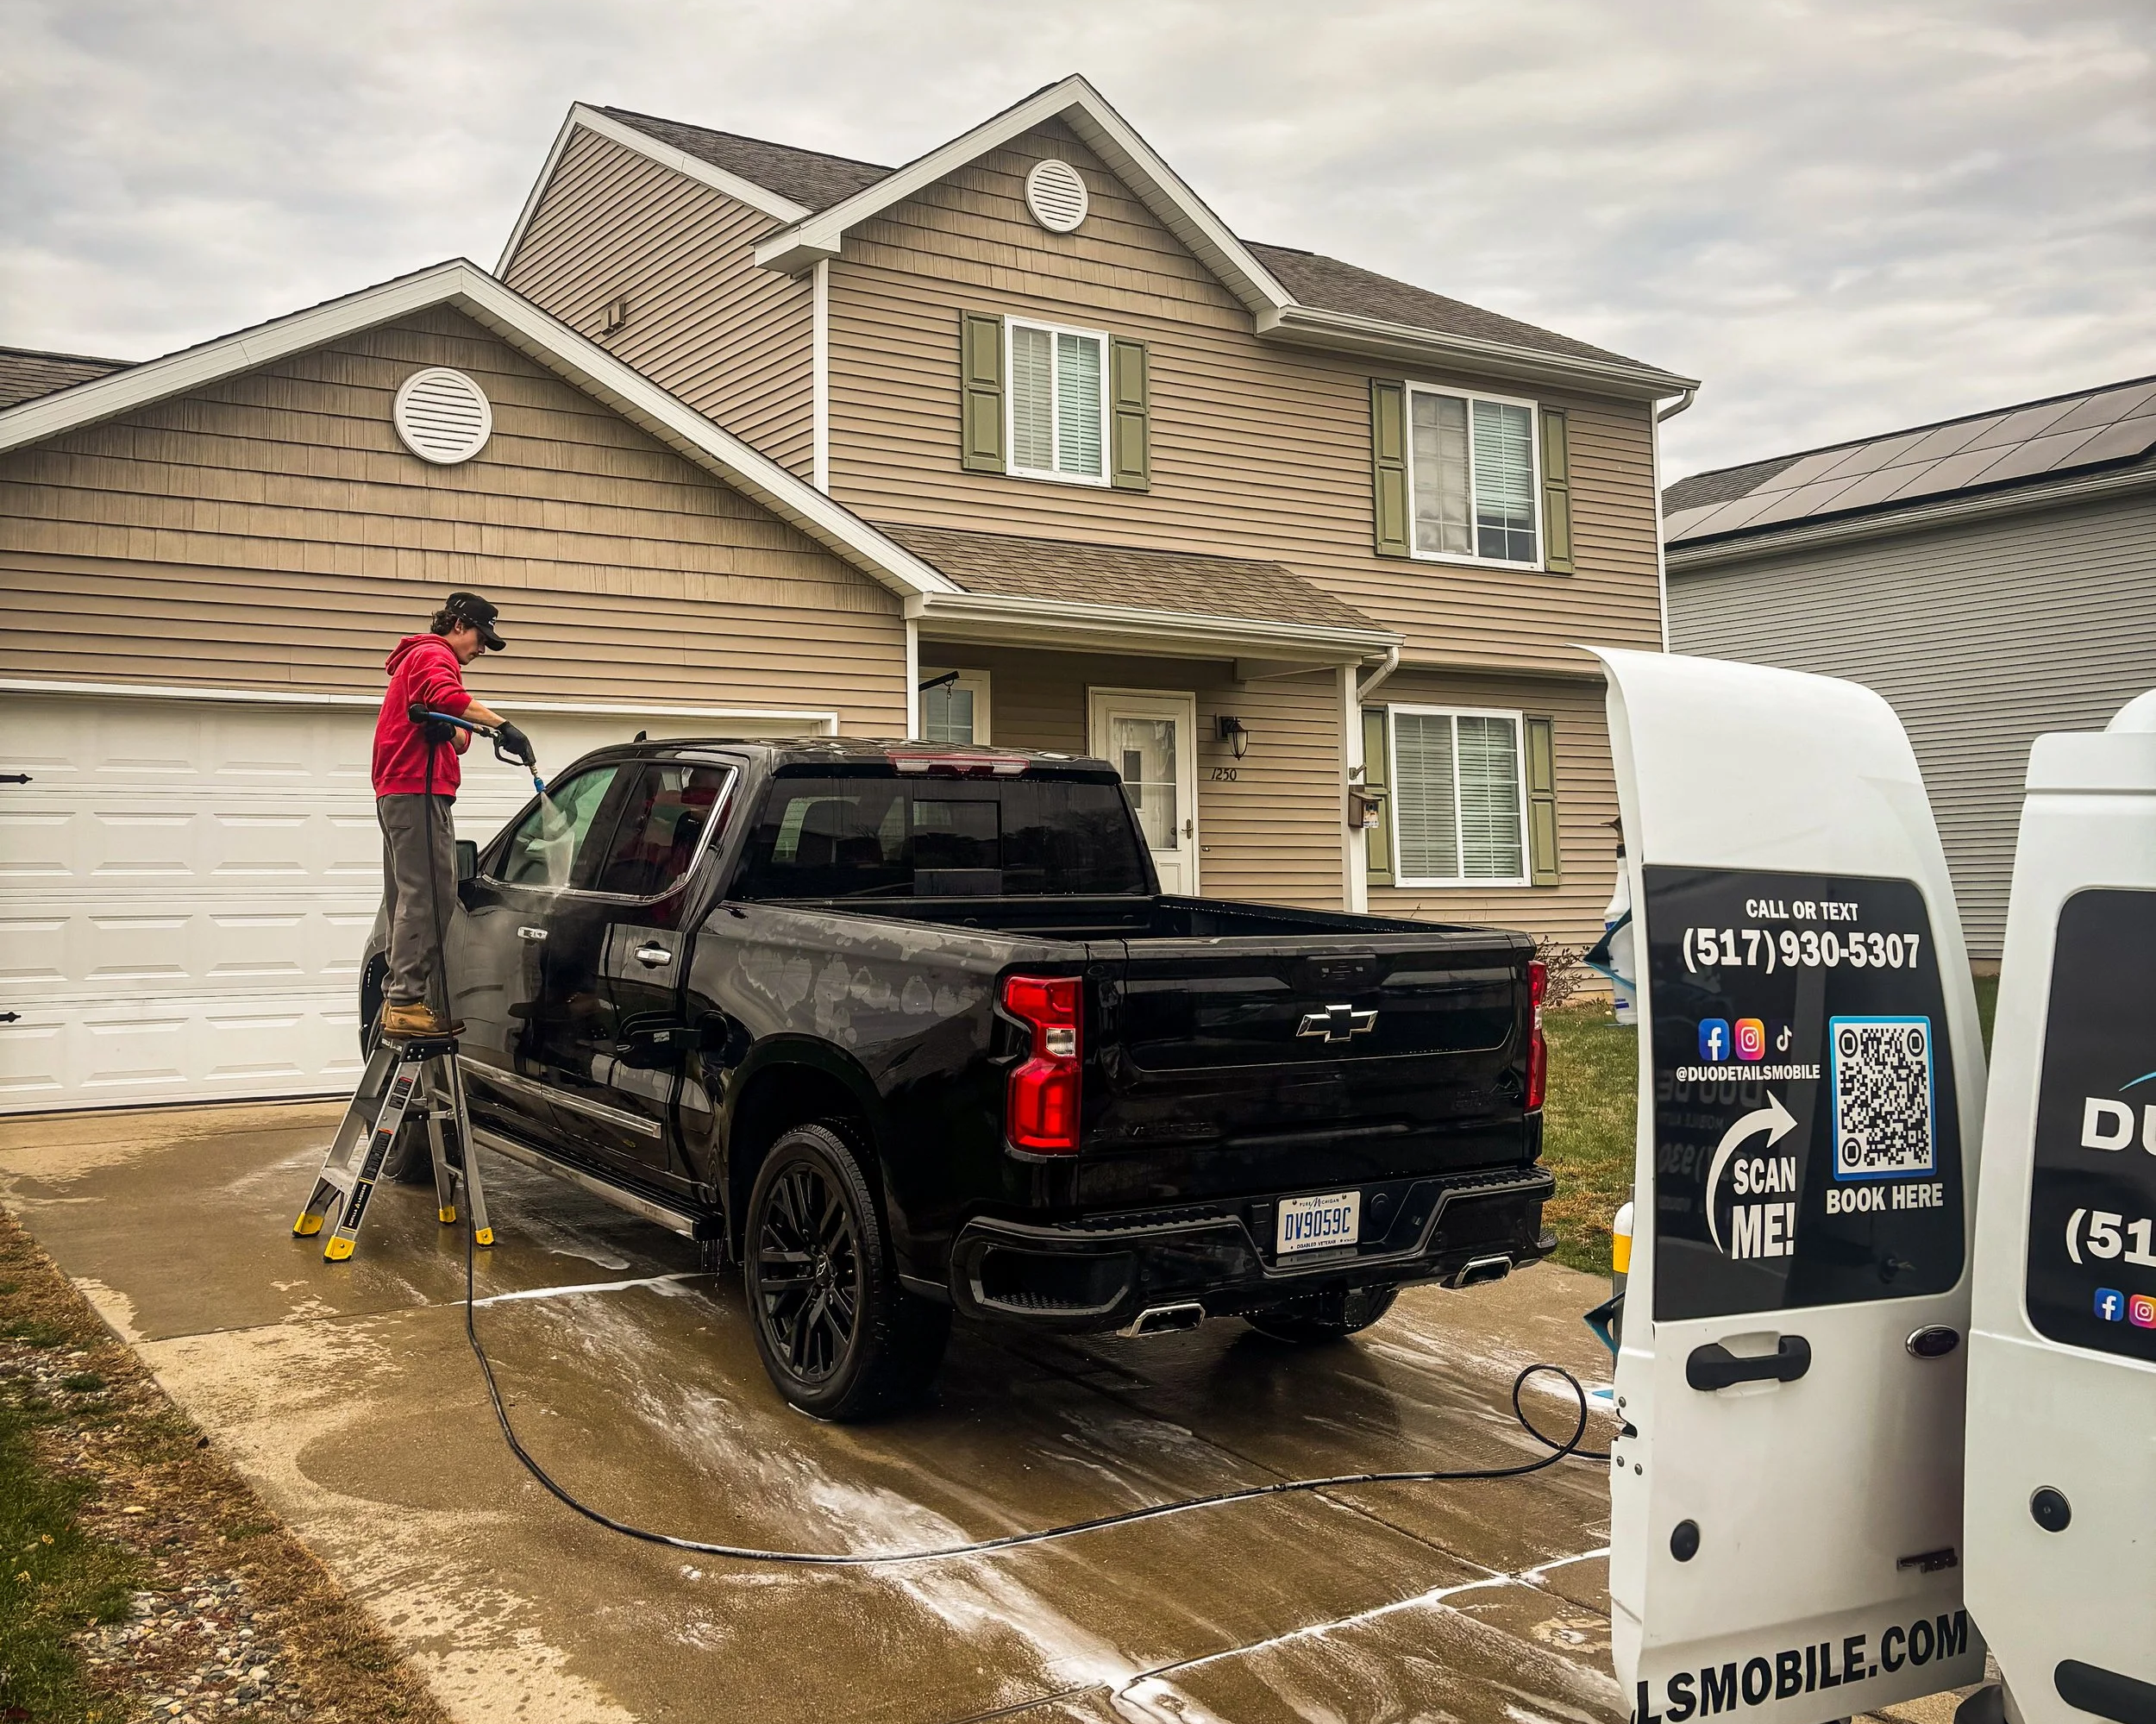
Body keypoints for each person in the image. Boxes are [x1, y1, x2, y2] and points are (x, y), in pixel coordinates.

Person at [370, 592, 529, 1038]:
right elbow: (450, 697)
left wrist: (454, 728)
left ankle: (399, 998)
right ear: (458, 626)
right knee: (433, 897)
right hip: (416, 792)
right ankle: (405, 1003)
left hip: (401, 791)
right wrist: (504, 726)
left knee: (405, 898)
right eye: (481, 638)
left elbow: (456, 732)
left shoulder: (416, 663)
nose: (481, 649)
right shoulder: (433, 654)